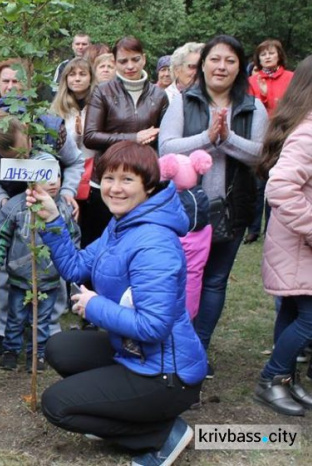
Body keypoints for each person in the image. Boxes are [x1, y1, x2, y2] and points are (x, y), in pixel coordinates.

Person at [30, 141, 207, 466]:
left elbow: (154, 326)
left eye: (127, 180)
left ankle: (160, 435)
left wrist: (95, 306)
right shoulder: (122, 224)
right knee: (59, 348)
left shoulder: (154, 243)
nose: (115, 188)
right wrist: (54, 220)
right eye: (109, 178)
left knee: (56, 405)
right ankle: (119, 409)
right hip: (134, 351)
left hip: (166, 376)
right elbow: (76, 268)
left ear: (149, 185)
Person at [159, 35, 267, 372]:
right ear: (203, 63)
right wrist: (207, 137)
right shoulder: (183, 102)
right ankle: (172, 342)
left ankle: (197, 349)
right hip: (184, 211)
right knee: (178, 278)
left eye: (230, 61)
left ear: (240, 68)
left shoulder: (252, 107)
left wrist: (227, 138)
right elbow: (166, 148)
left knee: (215, 281)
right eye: (215, 59)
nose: (221, 67)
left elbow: (261, 155)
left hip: (233, 207)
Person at [0, 107, 83, 354]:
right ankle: (6, 331)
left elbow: (75, 161)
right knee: (9, 268)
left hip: (51, 203)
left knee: (55, 264)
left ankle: (50, 331)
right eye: (12, 156)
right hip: (14, 205)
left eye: (23, 152)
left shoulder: (53, 129)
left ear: (28, 131)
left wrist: (66, 193)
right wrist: (2, 200)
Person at [254, 52, 312, 416]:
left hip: (297, 245)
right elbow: (279, 189)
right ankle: (271, 378)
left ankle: (286, 382)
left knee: (295, 312)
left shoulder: (308, 123)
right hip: (301, 245)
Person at [0, 152, 80, 372]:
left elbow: (73, 238)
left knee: (42, 319)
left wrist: (75, 264)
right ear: (30, 178)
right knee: (15, 316)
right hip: (20, 277)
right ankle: (11, 350)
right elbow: (1, 234)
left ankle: (38, 354)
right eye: (45, 176)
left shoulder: (64, 210)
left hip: (49, 278)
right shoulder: (15, 206)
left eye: (56, 176)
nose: (52, 182)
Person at [83, 35, 169, 246]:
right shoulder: (103, 92)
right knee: (98, 242)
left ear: (144, 59)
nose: (130, 66)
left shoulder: (159, 96)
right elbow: (90, 136)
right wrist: (134, 138)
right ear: (114, 62)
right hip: (107, 177)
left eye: (135, 59)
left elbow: (164, 140)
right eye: (123, 61)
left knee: (136, 243)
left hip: (142, 180)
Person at [244, 39, 294, 245]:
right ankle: (253, 229)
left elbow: (294, 104)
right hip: (260, 139)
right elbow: (250, 109)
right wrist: (263, 96)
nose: (267, 57)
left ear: (279, 56)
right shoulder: (252, 81)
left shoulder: (291, 78)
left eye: (271, 53)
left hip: (284, 137)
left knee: (278, 183)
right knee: (257, 185)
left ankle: (272, 228)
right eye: (263, 54)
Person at [158, 151, 213, 320]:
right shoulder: (202, 199)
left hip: (167, 297)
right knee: (193, 279)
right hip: (195, 271)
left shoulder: (170, 203)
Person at [50, 57, 96, 247]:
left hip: (93, 176)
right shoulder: (56, 109)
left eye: (82, 74)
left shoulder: (98, 106)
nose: (77, 79)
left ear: (90, 78)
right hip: (66, 176)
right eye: (72, 74)